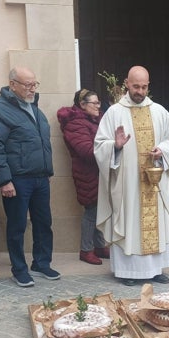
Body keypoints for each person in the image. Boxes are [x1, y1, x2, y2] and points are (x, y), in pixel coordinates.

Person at [94, 66, 169, 286]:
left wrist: (162, 150)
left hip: (154, 182)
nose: (140, 91)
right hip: (128, 184)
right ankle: (127, 271)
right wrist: (116, 146)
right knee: (130, 220)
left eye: (143, 87)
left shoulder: (160, 111)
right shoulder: (114, 112)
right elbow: (99, 146)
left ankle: (155, 269)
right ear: (126, 84)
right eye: (135, 86)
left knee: (156, 224)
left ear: (148, 86)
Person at [0, 67, 59, 288]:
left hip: (40, 178)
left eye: (34, 84)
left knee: (44, 223)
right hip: (17, 180)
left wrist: (46, 170)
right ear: (12, 84)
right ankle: (19, 269)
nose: (32, 88)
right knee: (17, 226)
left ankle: (41, 263)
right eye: (27, 85)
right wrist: (4, 180)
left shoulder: (34, 108)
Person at [57, 88, 109, 265]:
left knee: (99, 210)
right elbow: (87, 151)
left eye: (98, 102)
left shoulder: (96, 120)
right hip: (86, 174)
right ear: (82, 105)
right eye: (94, 103)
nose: (98, 106)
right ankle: (86, 250)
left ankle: (100, 246)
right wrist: (111, 148)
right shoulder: (75, 124)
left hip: (98, 172)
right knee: (91, 211)